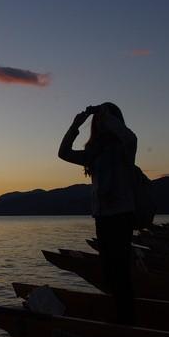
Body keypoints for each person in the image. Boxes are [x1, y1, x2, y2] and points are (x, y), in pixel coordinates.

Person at [58, 103, 137, 324]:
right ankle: (119, 316)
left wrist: (105, 114)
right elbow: (63, 153)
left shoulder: (125, 147)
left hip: (122, 215)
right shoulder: (94, 153)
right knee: (109, 272)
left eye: (107, 119)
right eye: (100, 120)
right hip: (102, 217)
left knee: (120, 270)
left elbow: (128, 135)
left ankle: (127, 320)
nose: (102, 122)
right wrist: (75, 125)